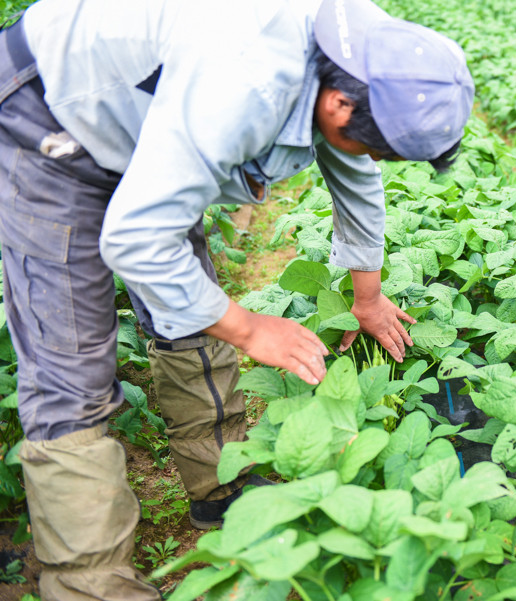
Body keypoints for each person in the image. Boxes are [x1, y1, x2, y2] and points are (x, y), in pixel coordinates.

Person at [0, 0, 474, 597]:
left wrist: (369, 296)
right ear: (338, 105)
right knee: (69, 372)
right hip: (50, 118)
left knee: (189, 309)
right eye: (375, 147)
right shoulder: (245, 81)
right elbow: (136, 239)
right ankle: (91, 583)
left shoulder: (364, 55)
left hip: (154, 116)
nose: (372, 159)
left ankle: (220, 485)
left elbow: (354, 168)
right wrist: (249, 328)